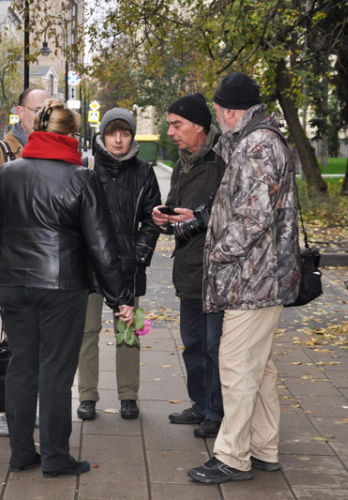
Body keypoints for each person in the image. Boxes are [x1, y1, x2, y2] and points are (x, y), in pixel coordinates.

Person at [0, 98, 134, 478]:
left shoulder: (7, 174)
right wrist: (120, 297)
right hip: (62, 287)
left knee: (21, 368)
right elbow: (101, 244)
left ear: (40, 129)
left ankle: (20, 454)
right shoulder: (81, 178)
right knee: (56, 373)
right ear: (72, 135)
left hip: (14, 285)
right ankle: (55, 456)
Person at [187, 72, 300, 484]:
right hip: (263, 279)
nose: (216, 117)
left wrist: (218, 253)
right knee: (261, 368)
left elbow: (253, 217)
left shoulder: (257, 146)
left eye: (218, 110)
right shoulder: (257, 141)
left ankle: (233, 456)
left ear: (230, 110)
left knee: (235, 367)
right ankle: (264, 447)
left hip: (252, 280)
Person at [0, 87, 49, 438]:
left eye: (48, 109)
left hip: (40, 266)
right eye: (37, 109)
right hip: (5, 265)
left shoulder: (54, 150)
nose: (43, 115)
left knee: (32, 344)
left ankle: (22, 408)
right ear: (20, 112)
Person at [76, 108, 161, 421]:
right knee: (87, 332)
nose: (118, 139)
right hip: (89, 268)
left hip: (128, 269)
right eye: (113, 132)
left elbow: (153, 218)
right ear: (103, 135)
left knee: (128, 333)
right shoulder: (87, 169)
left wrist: (138, 254)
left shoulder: (144, 172)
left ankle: (128, 396)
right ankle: (87, 396)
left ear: (132, 137)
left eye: (124, 133)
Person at [152, 94, 225, 438]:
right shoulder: (183, 162)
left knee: (214, 347)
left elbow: (229, 214)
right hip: (188, 271)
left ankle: (215, 410)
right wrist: (162, 217)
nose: (170, 132)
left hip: (217, 273)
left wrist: (197, 219)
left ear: (199, 125)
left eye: (176, 124)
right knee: (193, 343)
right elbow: (174, 208)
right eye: (169, 124)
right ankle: (199, 405)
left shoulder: (222, 159)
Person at [0, 87, 49, 215]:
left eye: (47, 113)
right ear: (20, 112)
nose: (42, 118)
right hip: (15, 235)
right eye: (37, 111)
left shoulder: (57, 151)